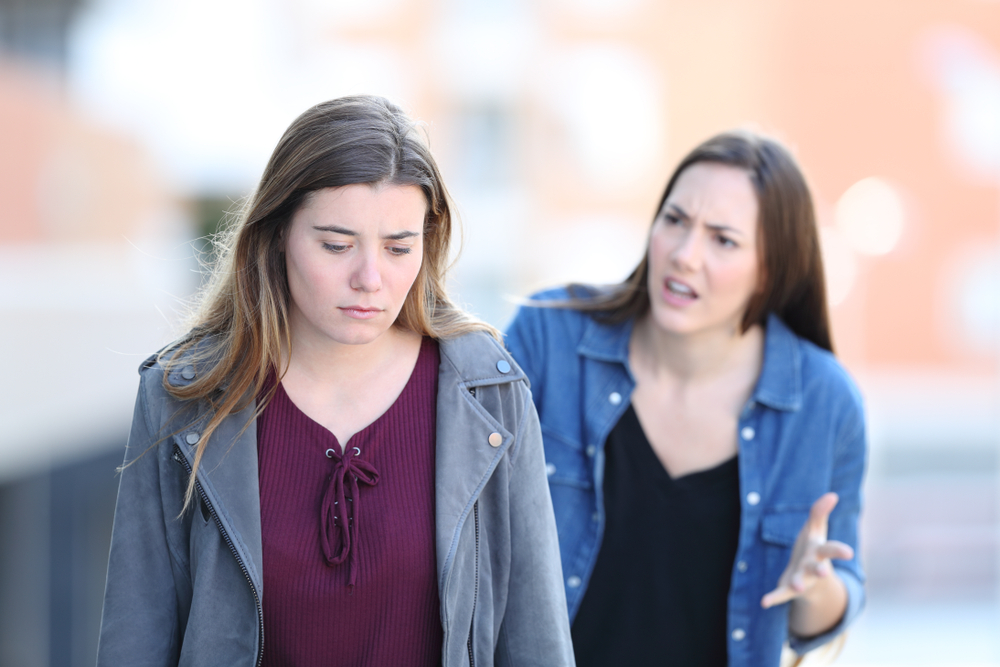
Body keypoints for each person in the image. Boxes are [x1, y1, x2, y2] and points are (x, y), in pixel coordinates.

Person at [97, 95, 575, 667]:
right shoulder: (183, 396)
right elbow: (136, 637)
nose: (370, 278)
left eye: (399, 247)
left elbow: (537, 640)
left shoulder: (489, 391)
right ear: (276, 235)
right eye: (336, 245)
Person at [504, 131, 866, 667]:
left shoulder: (825, 402)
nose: (684, 255)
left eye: (723, 239)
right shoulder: (548, 339)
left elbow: (823, 613)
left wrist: (815, 588)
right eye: (675, 220)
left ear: (771, 270)